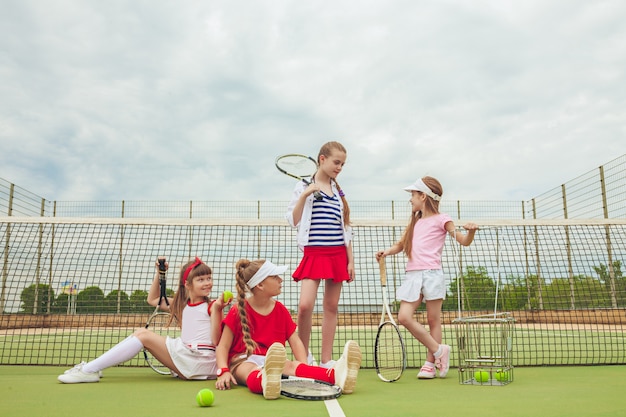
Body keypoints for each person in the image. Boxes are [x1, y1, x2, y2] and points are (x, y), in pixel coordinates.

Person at [58, 257, 230, 383]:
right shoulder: (181, 306)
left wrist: (216, 310)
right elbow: (153, 299)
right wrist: (159, 274)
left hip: (201, 361)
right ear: (187, 284)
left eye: (209, 278)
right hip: (189, 359)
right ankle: (94, 367)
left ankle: (89, 370)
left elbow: (216, 341)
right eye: (201, 279)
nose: (208, 283)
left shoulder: (213, 306)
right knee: (142, 334)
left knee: (143, 335)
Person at [375, 176, 478, 379]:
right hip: (413, 275)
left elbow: (464, 241)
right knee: (404, 317)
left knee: (433, 320)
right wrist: (386, 252)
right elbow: (401, 244)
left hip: (432, 275)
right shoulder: (414, 222)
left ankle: (430, 364)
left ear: (423, 196)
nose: (410, 199)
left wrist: (471, 232)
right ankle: (440, 350)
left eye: (413, 195)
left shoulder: (443, 219)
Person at [214, 258, 361, 399]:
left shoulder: (281, 310)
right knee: (250, 370)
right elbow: (223, 346)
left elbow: (296, 342)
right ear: (260, 285)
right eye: (275, 277)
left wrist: (303, 368)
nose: (280, 279)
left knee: (292, 365)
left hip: (273, 361)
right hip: (242, 361)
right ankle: (264, 382)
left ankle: (336, 375)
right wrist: (223, 371)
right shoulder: (237, 310)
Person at [285, 141, 354, 368]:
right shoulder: (303, 186)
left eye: (342, 164)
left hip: (337, 255)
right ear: (322, 159)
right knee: (305, 305)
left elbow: (345, 228)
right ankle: (303, 358)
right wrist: (305, 195)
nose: (339, 167)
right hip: (314, 254)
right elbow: (293, 220)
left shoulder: (338, 193)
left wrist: (350, 260)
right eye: (336, 162)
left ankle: (326, 360)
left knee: (331, 307)